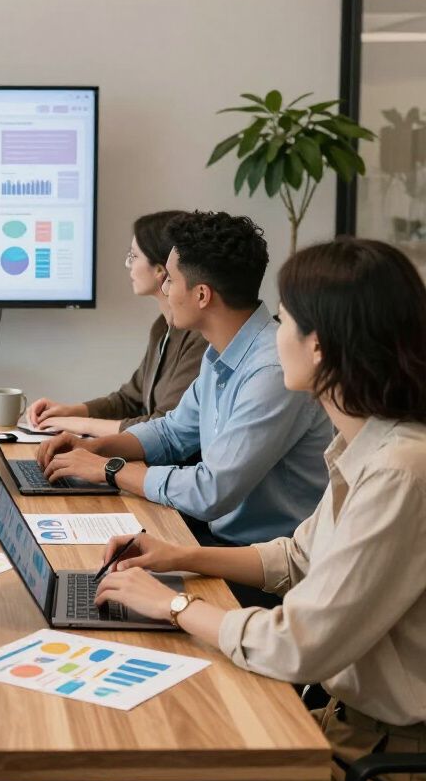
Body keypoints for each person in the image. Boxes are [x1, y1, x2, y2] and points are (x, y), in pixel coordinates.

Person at [81, 237, 426, 781]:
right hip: (353, 732)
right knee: (168, 755)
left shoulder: (403, 471)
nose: (275, 333)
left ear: (320, 347)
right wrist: (174, 556)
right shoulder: (371, 448)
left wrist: (176, 606)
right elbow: (295, 557)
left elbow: (299, 645)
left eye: (287, 320)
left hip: (393, 780)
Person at [39, 211, 333, 553]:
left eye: (171, 281)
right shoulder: (220, 353)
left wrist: (109, 469)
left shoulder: (271, 370)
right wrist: (92, 448)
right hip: (220, 538)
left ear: (202, 295)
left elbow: (211, 492)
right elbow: (172, 432)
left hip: (264, 562)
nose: (164, 289)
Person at [27, 211, 206, 436]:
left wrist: (79, 425)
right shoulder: (162, 327)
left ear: (162, 269)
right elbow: (130, 400)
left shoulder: (200, 338)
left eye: (133, 256)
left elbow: (163, 426)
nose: (128, 264)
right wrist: (69, 412)